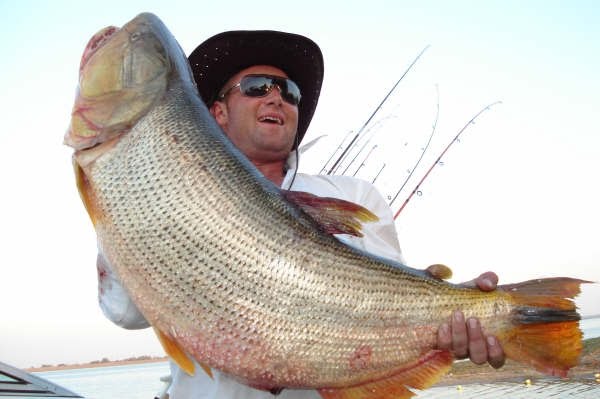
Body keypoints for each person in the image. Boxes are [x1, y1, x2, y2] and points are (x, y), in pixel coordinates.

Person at [98, 30, 504, 398]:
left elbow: (394, 312)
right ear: (217, 112)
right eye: (256, 87)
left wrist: (461, 322)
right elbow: (126, 312)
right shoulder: (169, 196)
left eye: (289, 91)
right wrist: (123, 201)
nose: (276, 97)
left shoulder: (355, 196)